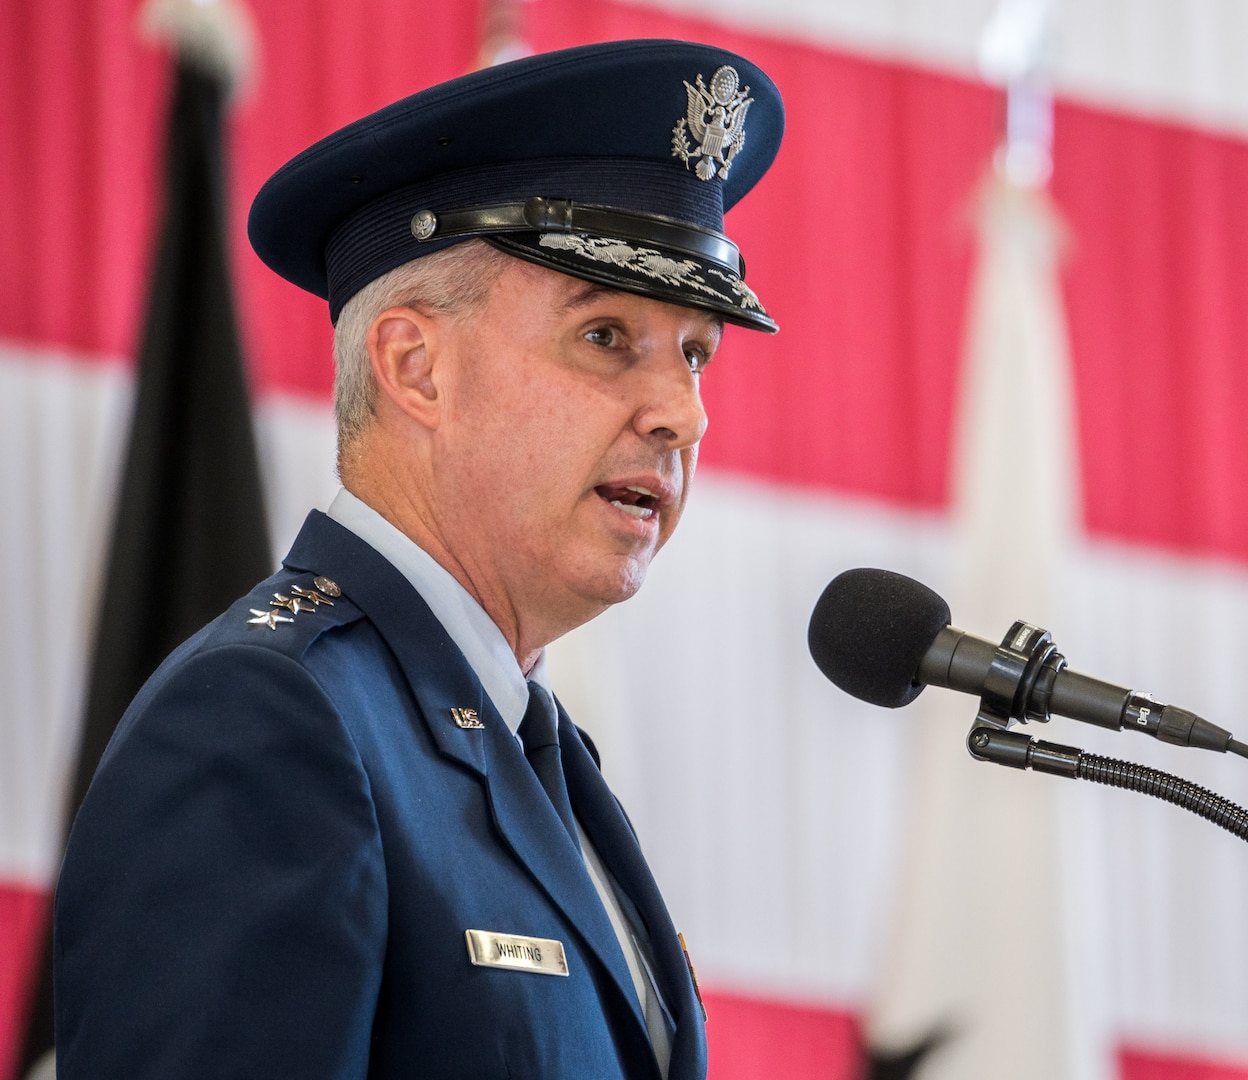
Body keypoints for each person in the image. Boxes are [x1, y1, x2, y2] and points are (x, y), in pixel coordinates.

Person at [53, 39, 782, 1080]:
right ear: (415, 367)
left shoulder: (539, 749)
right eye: (608, 336)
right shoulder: (269, 724)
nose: (681, 413)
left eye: (697, 354)